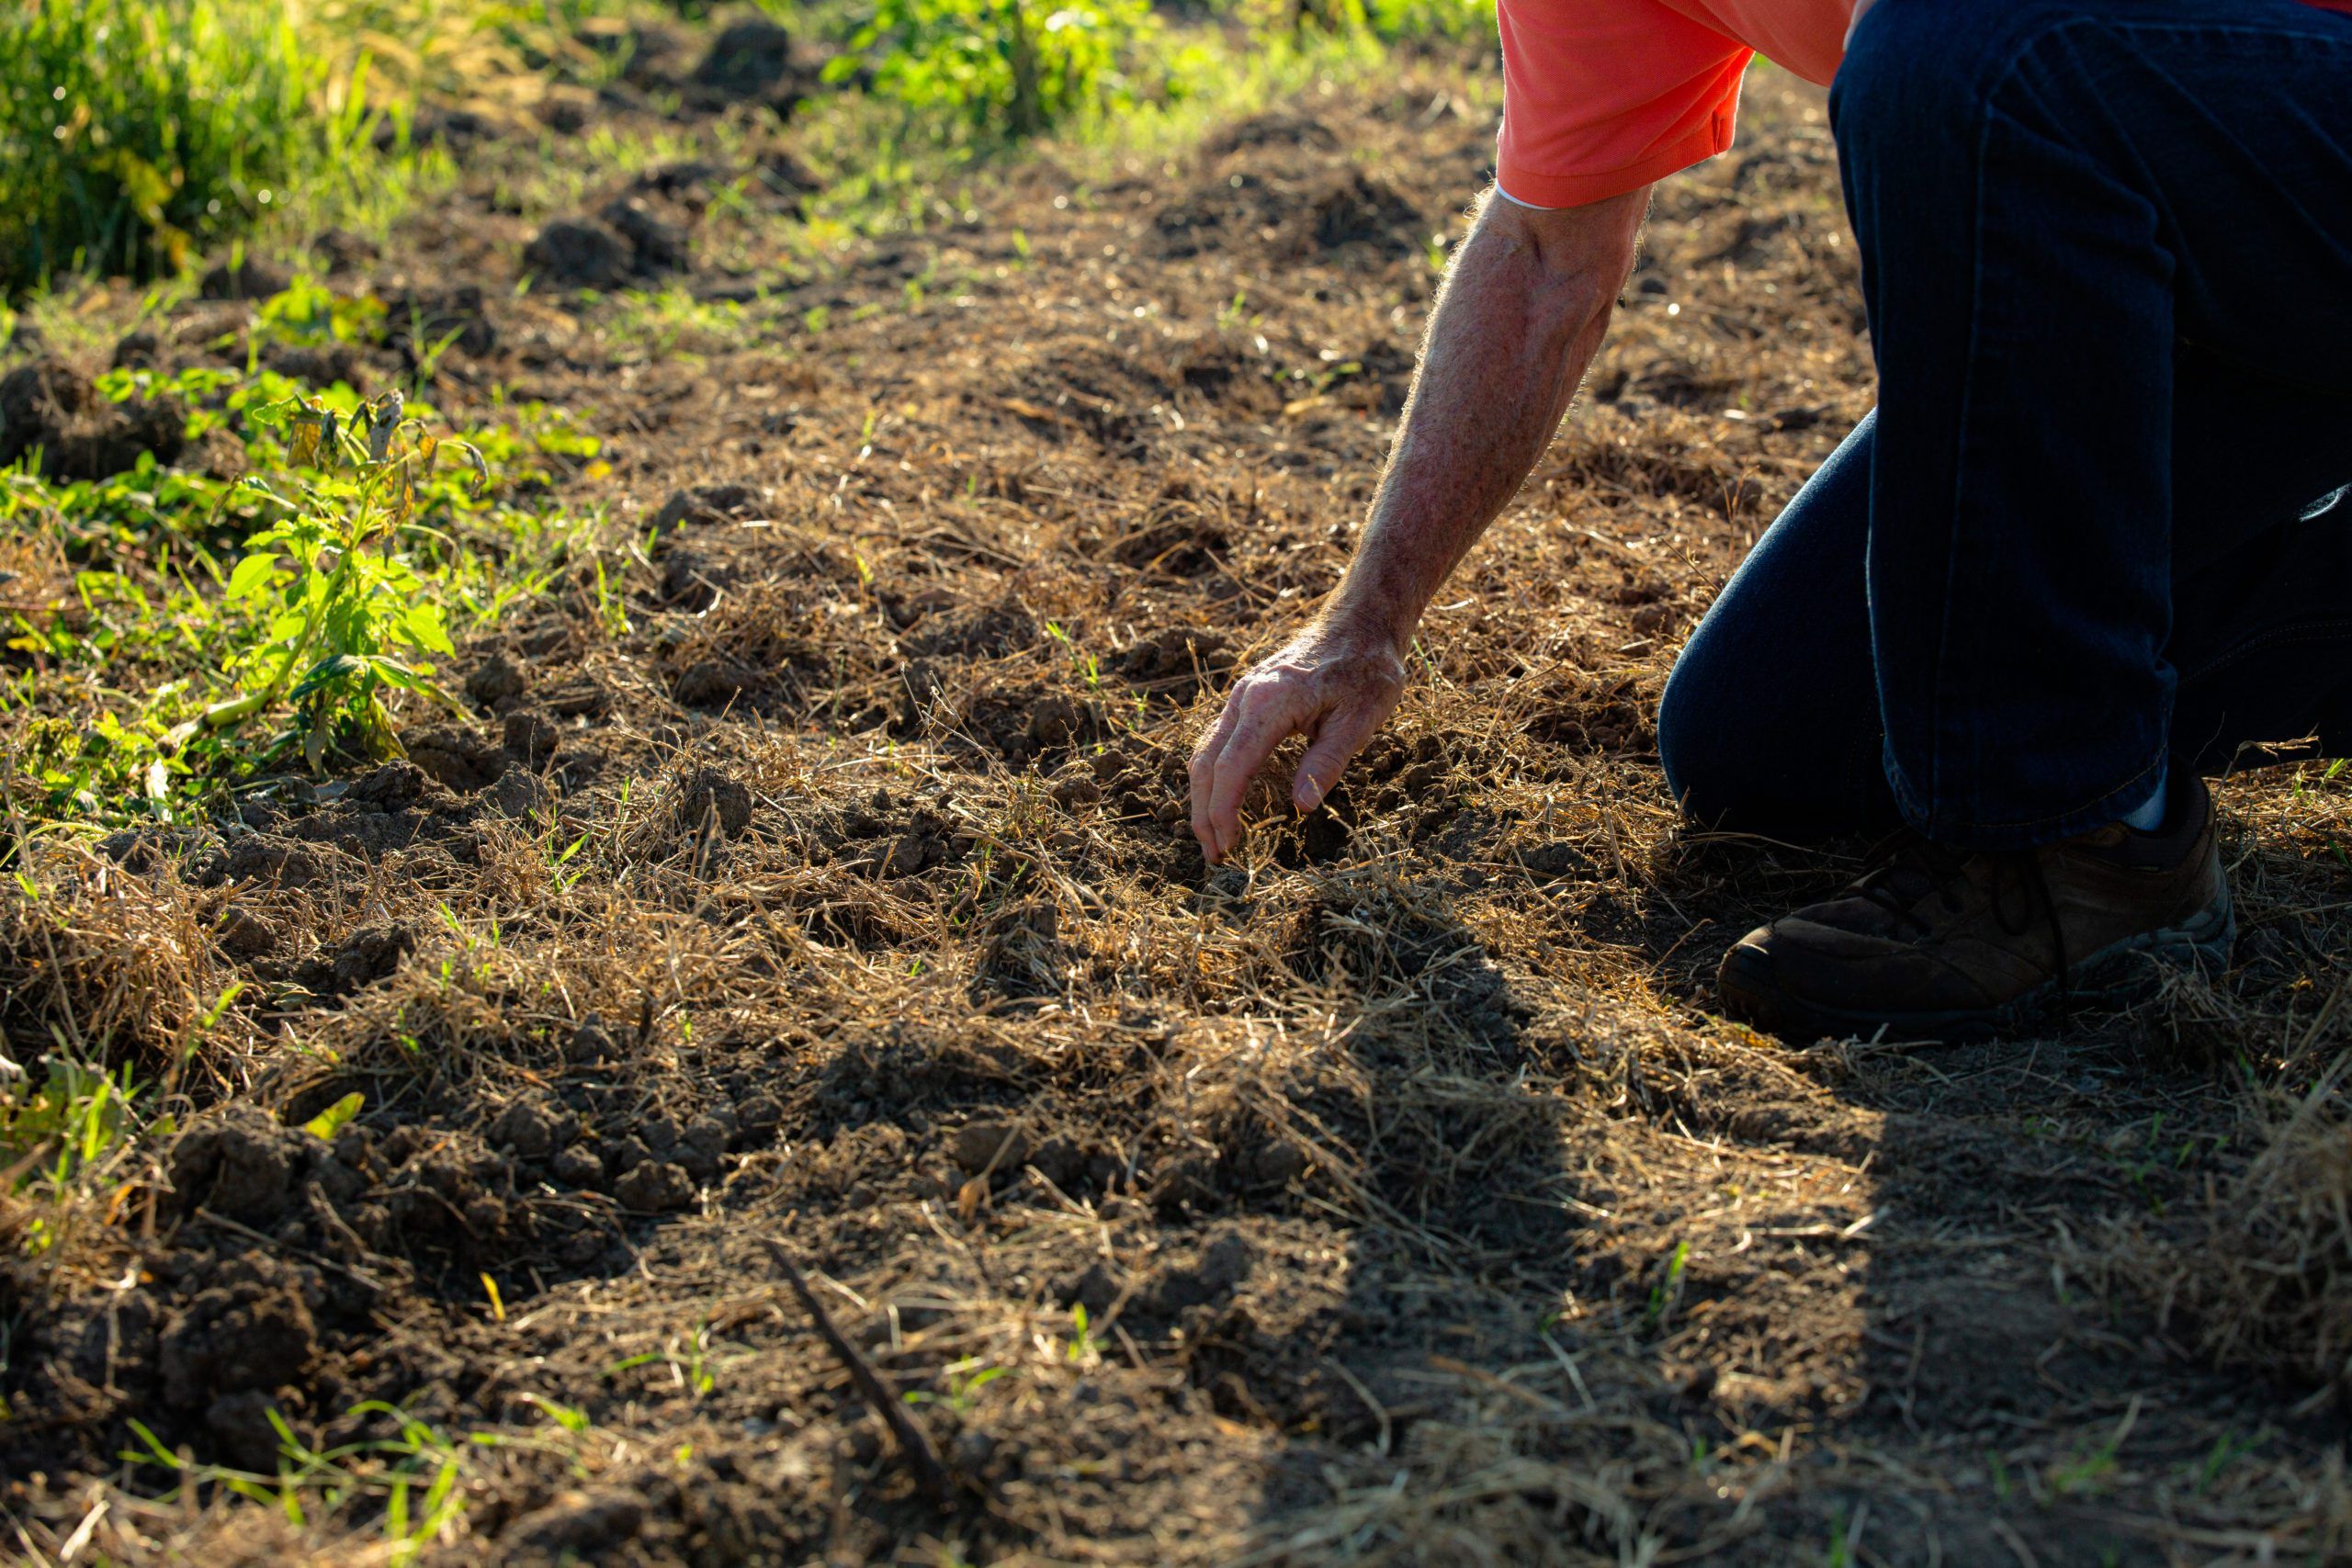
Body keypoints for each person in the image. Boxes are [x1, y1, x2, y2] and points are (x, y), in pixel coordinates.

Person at [1186, 0, 2352, 1042]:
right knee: (1775, 739)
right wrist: (1363, 622)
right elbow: (1549, 254)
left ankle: (2094, 849)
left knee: (1972, 55)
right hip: (2205, 272)